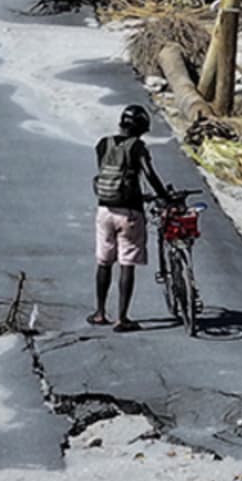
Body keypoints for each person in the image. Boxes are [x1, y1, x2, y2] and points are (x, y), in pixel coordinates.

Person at [89, 103, 169, 332]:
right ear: (142, 128)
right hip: (130, 214)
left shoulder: (103, 144)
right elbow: (149, 174)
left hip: (104, 210)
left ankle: (100, 313)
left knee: (104, 262)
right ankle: (122, 318)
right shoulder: (138, 147)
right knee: (127, 264)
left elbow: (107, 174)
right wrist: (163, 196)